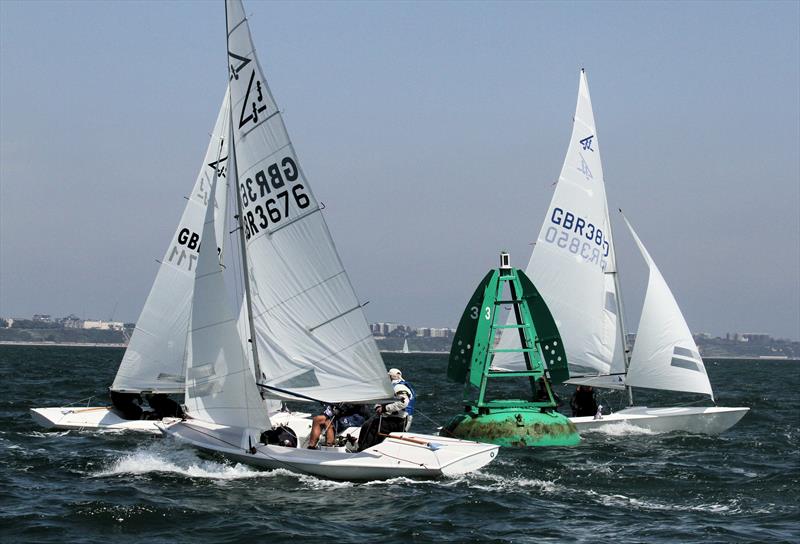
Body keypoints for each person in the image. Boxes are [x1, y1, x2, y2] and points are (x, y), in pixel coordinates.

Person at [357, 368, 414, 451]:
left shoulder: (399, 387)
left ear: (391, 377)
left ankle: (363, 449)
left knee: (370, 425)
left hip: (397, 420)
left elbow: (403, 402)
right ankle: (366, 447)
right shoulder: (393, 386)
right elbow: (383, 399)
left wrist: (384, 408)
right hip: (393, 419)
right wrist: (377, 406)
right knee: (367, 425)